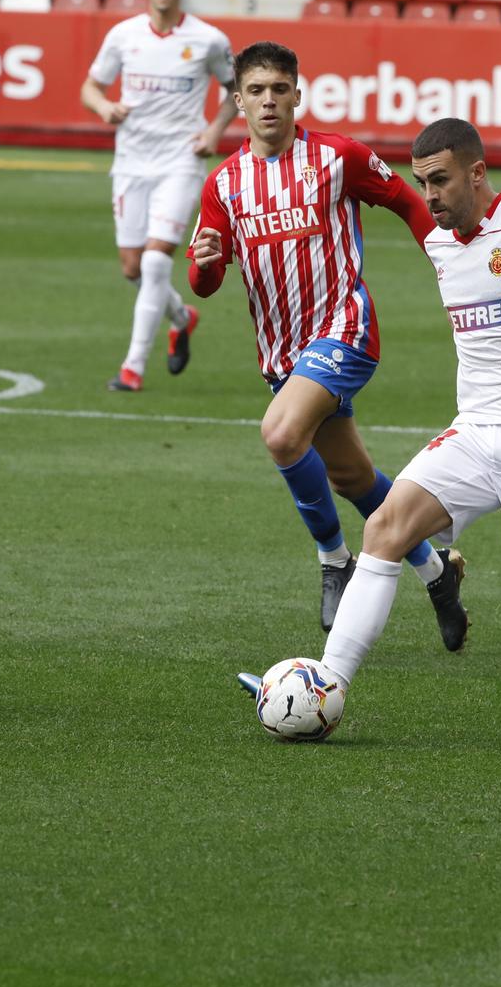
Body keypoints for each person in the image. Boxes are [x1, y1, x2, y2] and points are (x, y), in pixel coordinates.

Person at [267, 116, 501, 748]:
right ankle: (325, 686)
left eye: (440, 181)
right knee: (384, 528)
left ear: (476, 172)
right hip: (475, 430)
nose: (430, 196)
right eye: (422, 183)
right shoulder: (442, 243)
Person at [188, 40, 469, 649]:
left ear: (297, 94)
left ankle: (333, 559)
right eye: (256, 91)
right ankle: (435, 570)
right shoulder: (225, 184)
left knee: (282, 434)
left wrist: (449, 263)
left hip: (344, 328)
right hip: (282, 353)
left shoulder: (337, 158)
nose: (269, 101)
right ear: (237, 101)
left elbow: (401, 198)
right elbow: (205, 282)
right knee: (351, 476)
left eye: (279, 89)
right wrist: (205, 263)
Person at [81, 0, 238, 393]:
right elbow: (90, 86)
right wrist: (104, 106)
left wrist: (214, 130)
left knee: (154, 260)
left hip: (180, 161)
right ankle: (182, 316)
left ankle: (132, 368)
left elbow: (235, 89)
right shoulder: (123, 35)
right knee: (132, 267)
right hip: (131, 163)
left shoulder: (208, 39)